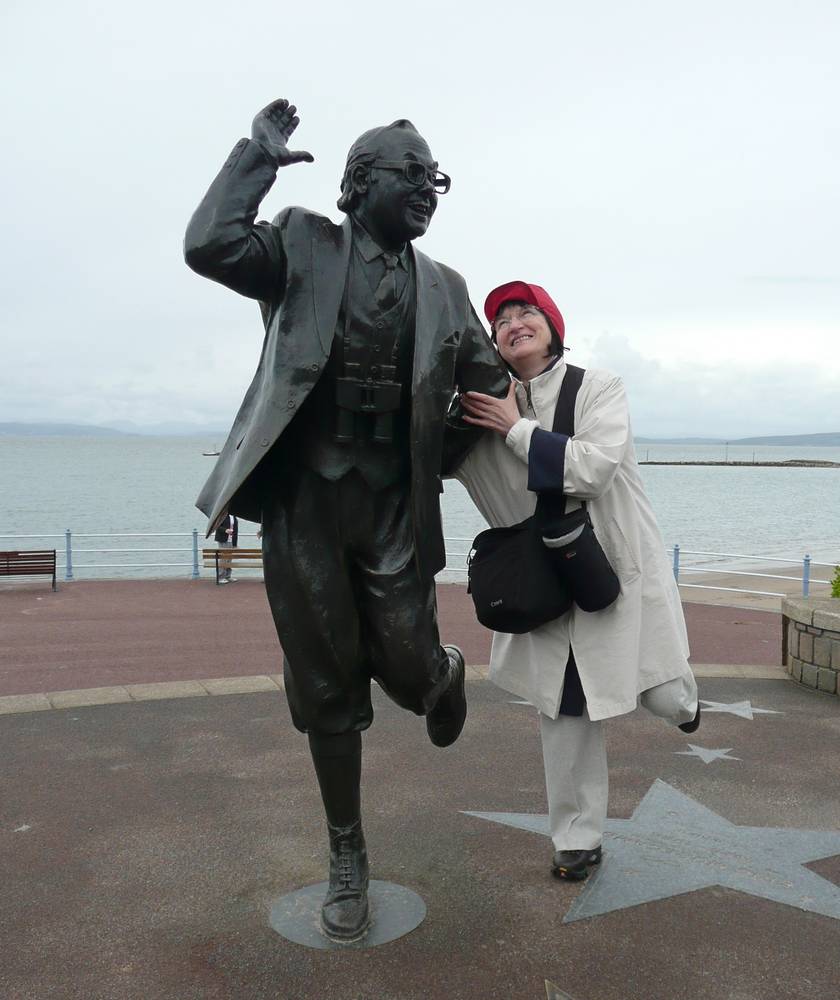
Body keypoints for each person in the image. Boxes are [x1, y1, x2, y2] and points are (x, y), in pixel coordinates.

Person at [184, 99, 509, 940]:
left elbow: (487, 379)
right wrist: (255, 157)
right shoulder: (301, 243)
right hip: (304, 503)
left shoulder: (445, 287)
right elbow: (208, 245)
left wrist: (520, 416)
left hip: (393, 504)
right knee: (328, 685)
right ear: (361, 182)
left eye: (437, 179)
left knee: (403, 667)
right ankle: (346, 852)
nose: (430, 191)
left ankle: (439, 676)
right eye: (414, 175)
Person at [453, 280, 700, 882]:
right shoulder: (486, 406)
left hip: (612, 568)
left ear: (553, 324)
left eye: (526, 311)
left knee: (664, 698)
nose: (513, 322)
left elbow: (591, 468)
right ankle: (577, 838)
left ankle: (688, 702)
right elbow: (452, 464)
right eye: (501, 319)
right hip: (547, 580)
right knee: (566, 709)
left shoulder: (599, 387)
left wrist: (515, 429)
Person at [213, 513, 238, 583]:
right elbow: (216, 526)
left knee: (229, 559)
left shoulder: (234, 516)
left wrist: (235, 544)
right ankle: (220, 577)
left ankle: (228, 576)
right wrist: (225, 530)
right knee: (223, 558)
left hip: (231, 540)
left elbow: (235, 531)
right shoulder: (222, 515)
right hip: (222, 539)